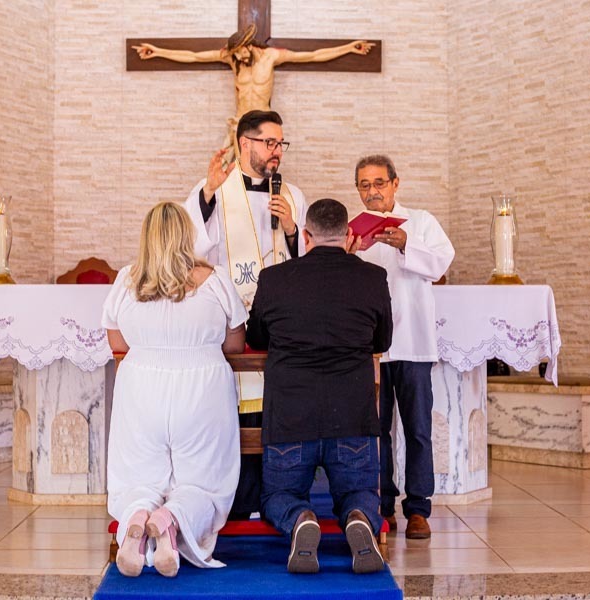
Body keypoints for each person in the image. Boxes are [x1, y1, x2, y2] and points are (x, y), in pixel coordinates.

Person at [246, 198, 393, 574]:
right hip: (353, 415)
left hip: (291, 418)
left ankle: (300, 520)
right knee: (359, 491)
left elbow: (258, 338)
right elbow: (382, 341)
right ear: (347, 236)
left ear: (306, 236)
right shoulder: (372, 277)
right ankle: (359, 519)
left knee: (278, 495)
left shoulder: (274, 279)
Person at [102, 202, 247, 577]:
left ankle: (135, 522)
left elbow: (116, 341)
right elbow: (234, 346)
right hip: (202, 391)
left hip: (141, 391)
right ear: (187, 235)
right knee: (205, 478)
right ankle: (170, 521)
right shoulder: (214, 280)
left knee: (138, 476)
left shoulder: (125, 280)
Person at [183, 109, 308, 521]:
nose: (277, 152)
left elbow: (306, 259)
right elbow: (193, 249)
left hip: (282, 323)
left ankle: (279, 499)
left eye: (280, 144)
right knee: (232, 411)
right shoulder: (215, 189)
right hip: (231, 320)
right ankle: (235, 500)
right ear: (245, 144)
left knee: (275, 410)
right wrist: (205, 197)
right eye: (270, 143)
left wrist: (291, 230)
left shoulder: (292, 195)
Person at [352, 155, 455, 540]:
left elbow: (442, 264)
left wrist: (406, 244)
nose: (372, 191)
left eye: (379, 183)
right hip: (371, 349)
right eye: (364, 185)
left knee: (417, 428)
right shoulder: (355, 231)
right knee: (375, 431)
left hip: (413, 342)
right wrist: (347, 254)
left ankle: (418, 509)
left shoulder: (423, 223)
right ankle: (382, 506)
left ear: (396, 184)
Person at [134, 25, 374, 161]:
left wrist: (349, 48)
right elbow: (193, 56)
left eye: (240, 52)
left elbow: (312, 55)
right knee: (230, 171)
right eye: (234, 53)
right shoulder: (232, 58)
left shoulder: (271, 57)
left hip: (263, 125)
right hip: (239, 125)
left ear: (249, 45)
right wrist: (157, 51)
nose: (238, 57)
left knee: (261, 171)